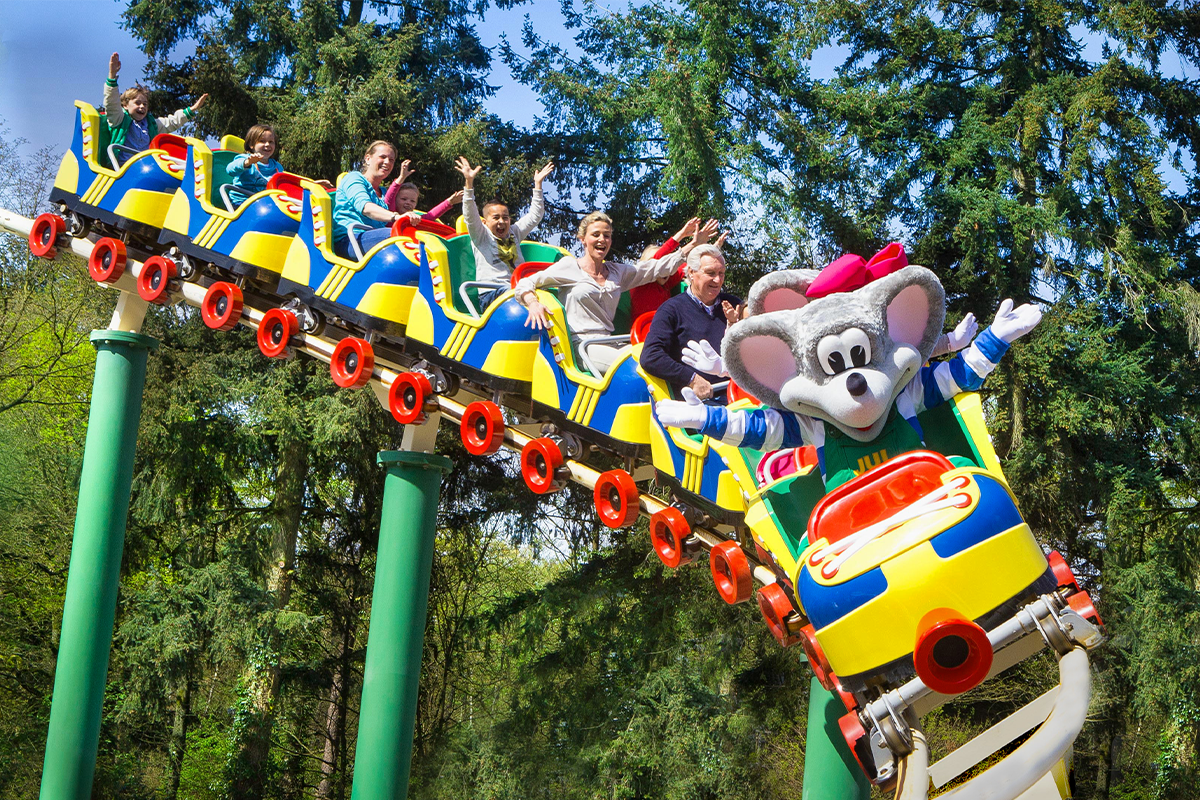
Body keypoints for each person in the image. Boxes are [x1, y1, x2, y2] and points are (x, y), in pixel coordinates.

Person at [514, 211, 686, 375]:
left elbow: (654, 268)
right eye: (595, 234)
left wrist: (689, 247)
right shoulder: (570, 266)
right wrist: (533, 302)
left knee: (655, 355)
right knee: (638, 364)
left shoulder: (616, 272)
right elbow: (525, 283)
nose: (602, 239)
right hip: (581, 346)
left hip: (609, 341)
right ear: (583, 239)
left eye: (607, 235)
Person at [640, 244, 743, 401]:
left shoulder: (734, 305)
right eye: (710, 273)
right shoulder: (671, 310)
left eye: (721, 273)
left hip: (739, 393)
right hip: (699, 401)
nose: (717, 280)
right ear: (691, 272)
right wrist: (691, 378)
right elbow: (651, 356)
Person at [456, 157, 554, 309]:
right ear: (485, 222)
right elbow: (470, 214)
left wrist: (538, 185)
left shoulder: (514, 233)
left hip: (518, 289)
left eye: (505, 217)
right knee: (517, 293)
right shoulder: (481, 236)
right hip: (492, 293)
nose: (501, 221)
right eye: (496, 218)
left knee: (546, 293)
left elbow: (535, 216)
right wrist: (469, 183)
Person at [103, 52, 208, 167]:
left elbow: (172, 122)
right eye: (137, 103)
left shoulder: (150, 125)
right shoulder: (119, 119)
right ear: (125, 105)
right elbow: (111, 102)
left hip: (144, 167)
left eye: (145, 104)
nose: (142, 107)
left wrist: (192, 109)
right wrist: (112, 75)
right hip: (124, 168)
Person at [629, 218, 722, 320]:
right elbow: (660, 259)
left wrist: (711, 250)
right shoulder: (640, 282)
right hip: (643, 327)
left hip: (664, 325)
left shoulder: (667, 283)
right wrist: (682, 234)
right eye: (664, 265)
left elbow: (691, 264)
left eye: (669, 267)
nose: (667, 269)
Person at [332, 141, 411, 259]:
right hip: (350, 240)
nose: (387, 162)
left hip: (373, 238)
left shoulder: (384, 192)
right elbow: (366, 208)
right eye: (382, 157)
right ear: (368, 159)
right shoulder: (354, 178)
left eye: (391, 160)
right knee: (398, 236)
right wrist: (396, 216)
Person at [384, 179, 463, 223]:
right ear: (395, 200)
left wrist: (450, 202)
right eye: (404, 199)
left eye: (412, 201)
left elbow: (431, 216)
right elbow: (390, 197)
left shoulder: (414, 219)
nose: (408, 202)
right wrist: (401, 178)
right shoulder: (390, 213)